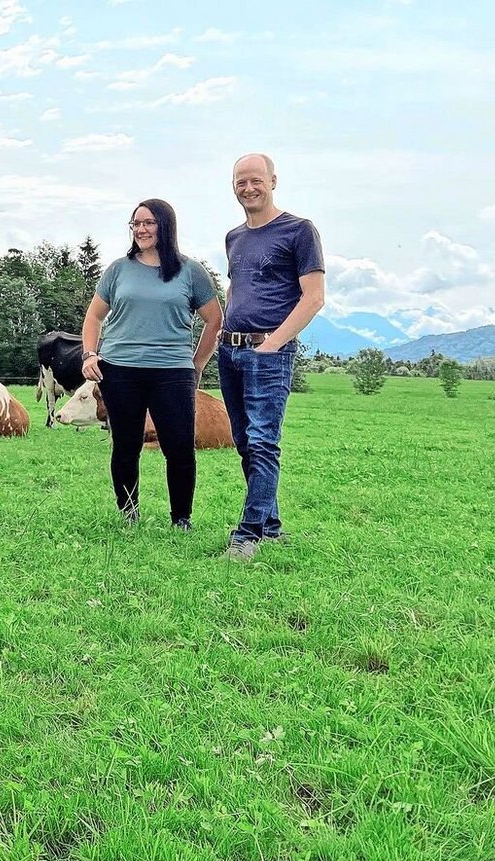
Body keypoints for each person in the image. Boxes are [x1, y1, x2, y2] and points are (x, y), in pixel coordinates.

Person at [81, 198, 222, 530]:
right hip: (120, 369)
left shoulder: (191, 272)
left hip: (172, 372)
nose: (140, 229)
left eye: (148, 223)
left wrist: (197, 363)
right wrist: (90, 354)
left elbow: (215, 320)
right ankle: (129, 513)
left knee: (179, 447)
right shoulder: (118, 270)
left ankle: (181, 518)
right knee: (126, 445)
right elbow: (94, 317)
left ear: (166, 226)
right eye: (135, 224)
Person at [218, 153, 325, 561]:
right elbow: (235, 289)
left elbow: (313, 298)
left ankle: (247, 534)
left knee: (263, 442)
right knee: (246, 442)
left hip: (268, 352)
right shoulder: (234, 237)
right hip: (231, 349)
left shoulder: (299, 231)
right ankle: (271, 526)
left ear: (273, 181)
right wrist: (226, 333)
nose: (248, 188)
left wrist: (273, 344)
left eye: (255, 180)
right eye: (240, 181)